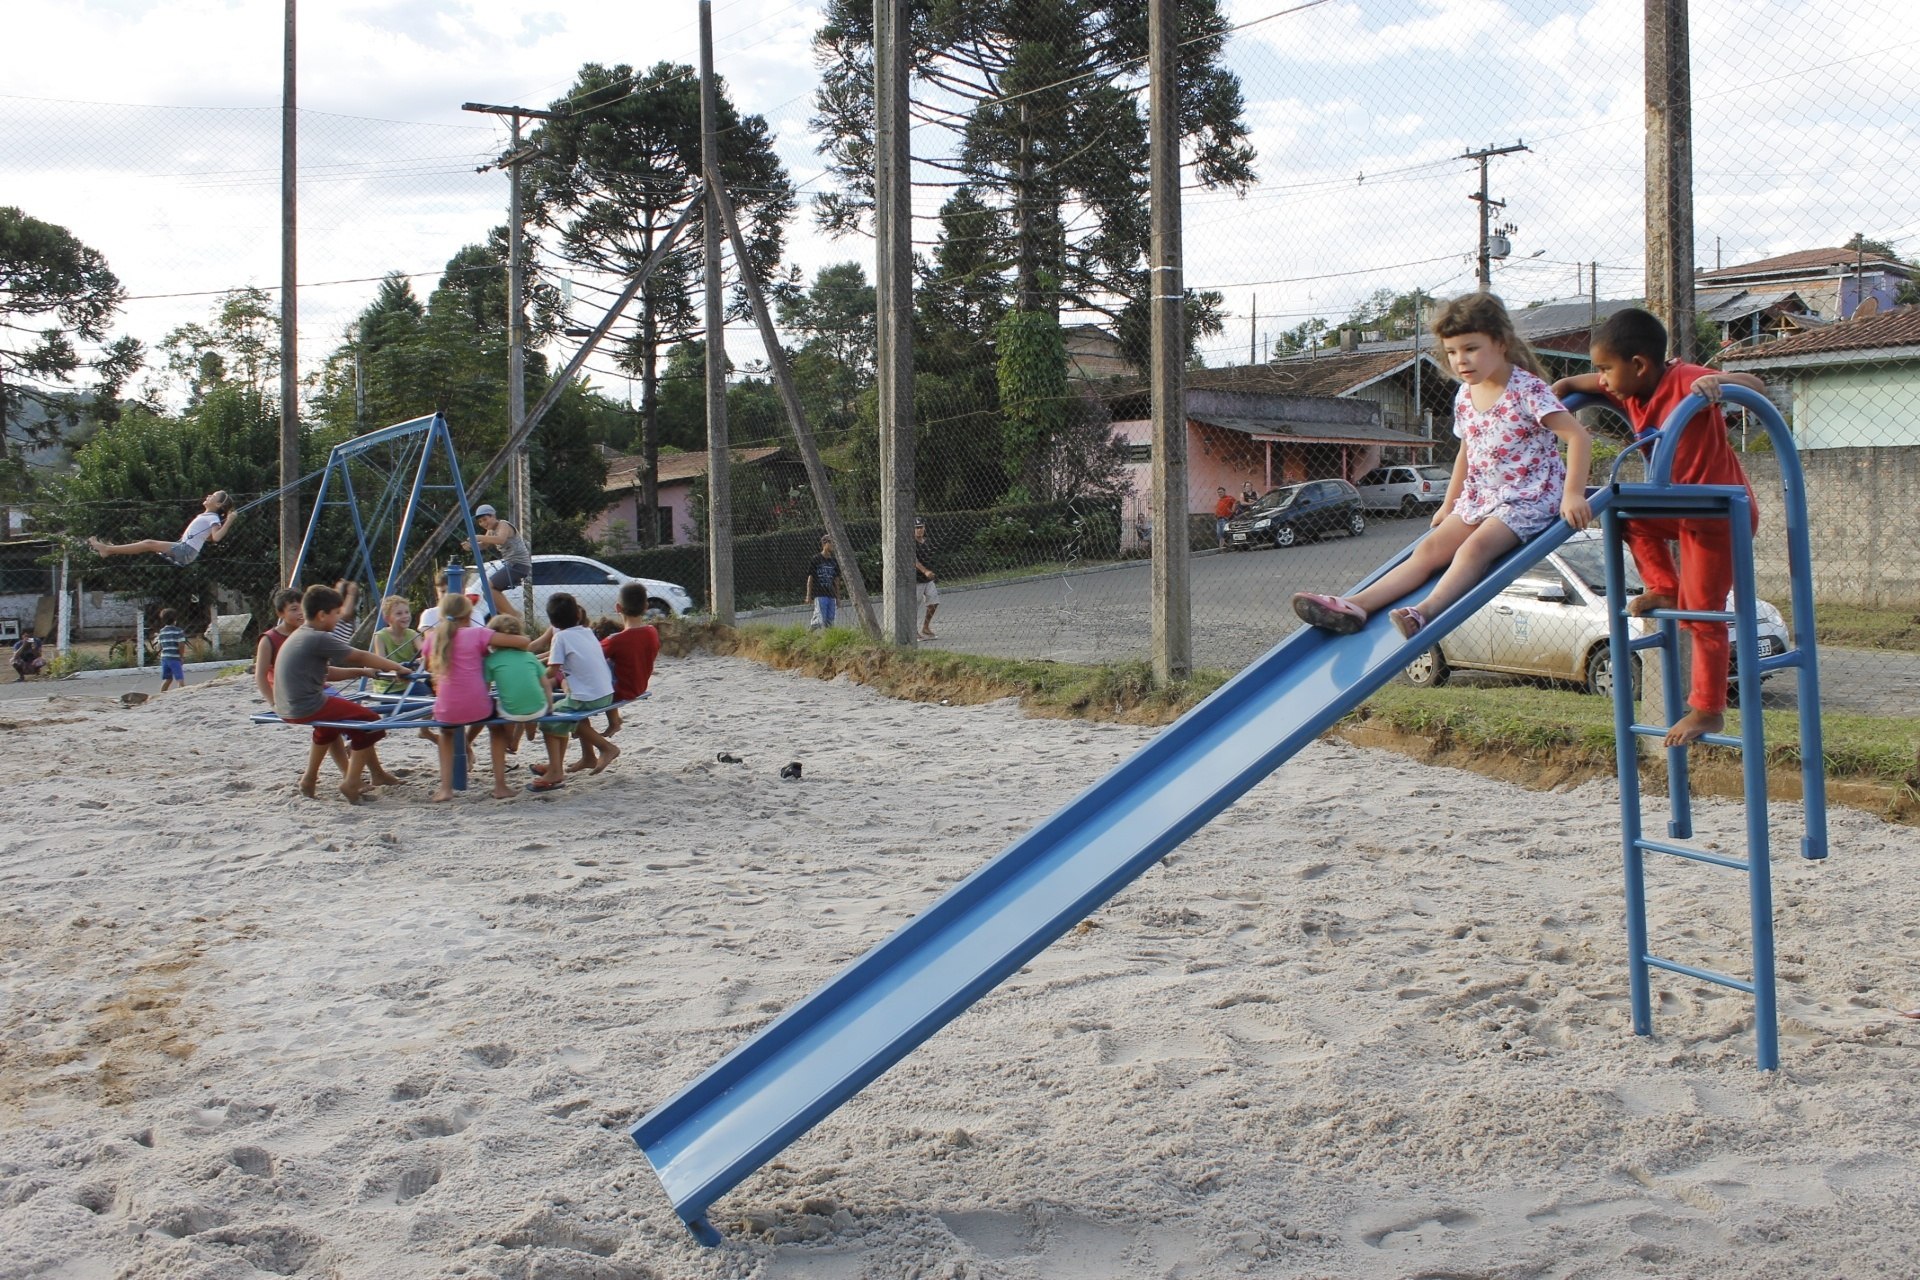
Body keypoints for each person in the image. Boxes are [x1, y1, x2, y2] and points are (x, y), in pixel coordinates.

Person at [1292, 293, 1593, 642]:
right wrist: (1449, 505)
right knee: (1429, 550)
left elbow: (1578, 437)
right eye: (1451, 352)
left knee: (1472, 550)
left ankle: (1425, 612)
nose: (1460, 360)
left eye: (1470, 348)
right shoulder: (1466, 394)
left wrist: (1572, 495)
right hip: (1480, 498)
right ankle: (1356, 605)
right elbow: (1468, 450)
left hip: (1526, 498)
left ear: (1500, 343)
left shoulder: (1527, 390)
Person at [1552, 307, 1769, 746]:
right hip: (1679, 506)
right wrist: (1554, 393)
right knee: (1626, 516)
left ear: (1639, 365)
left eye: (1606, 369)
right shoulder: (1629, 388)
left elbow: (1757, 387)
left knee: (1702, 613)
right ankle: (1662, 584)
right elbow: (1575, 385)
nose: (1603, 379)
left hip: (1719, 514)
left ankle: (1708, 710)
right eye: (1599, 370)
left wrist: (1720, 384)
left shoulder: (1686, 379)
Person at [272, 583, 413, 804]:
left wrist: (361, 672)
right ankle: (351, 782)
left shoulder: (302, 634)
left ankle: (309, 780)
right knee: (370, 722)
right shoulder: (318, 637)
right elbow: (360, 655)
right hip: (307, 704)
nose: (339, 619)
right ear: (321, 615)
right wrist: (398, 668)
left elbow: (327, 672)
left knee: (328, 728)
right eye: (336, 614)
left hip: (287, 705)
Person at [421, 589, 535, 802]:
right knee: (497, 727)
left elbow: (428, 665)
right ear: (468, 615)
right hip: (477, 706)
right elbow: (523, 641)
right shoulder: (477, 634)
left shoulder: (432, 639)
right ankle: (500, 785)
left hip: (447, 708)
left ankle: (446, 788)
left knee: (447, 734)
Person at [531, 591, 619, 790]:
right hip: (606, 693)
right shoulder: (587, 631)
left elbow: (552, 670)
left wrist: (531, 681)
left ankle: (606, 748)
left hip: (588, 698)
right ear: (578, 615)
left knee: (547, 720)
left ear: (552, 622)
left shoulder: (560, 638)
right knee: (561, 718)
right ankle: (556, 766)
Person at [484, 613, 552, 797]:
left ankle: (508, 741)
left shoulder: (492, 660)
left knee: (498, 717)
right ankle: (529, 730)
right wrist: (549, 706)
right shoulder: (529, 656)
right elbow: (545, 684)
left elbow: (485, 689)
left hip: (512, 711)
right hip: (539, 707)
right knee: (525, 700)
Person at [89, 491, 237, 565]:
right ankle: (108, 550)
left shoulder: (213, 518)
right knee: (147, 544)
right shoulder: (208, 517)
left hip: (185, 551)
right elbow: (210, 537)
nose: (209, 496)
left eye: (213, 496)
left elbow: (216, 537)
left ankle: (108, 549)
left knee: (148, 544)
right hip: (185, 550)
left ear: (218, 505)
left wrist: (229, 521)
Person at [601, 580, 661, 737]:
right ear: (646, 607)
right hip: (640, 685)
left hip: (620, 690)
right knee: (610, 665)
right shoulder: (652, 631)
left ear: (618, 608)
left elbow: (591, 657)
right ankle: (614, 721)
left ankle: (611, 724)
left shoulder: (615, 640)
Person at [460, 503, 534, 592]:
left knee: (488, 588)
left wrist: (478, 537)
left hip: (518, 565)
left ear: (493, 516)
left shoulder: (503, 524)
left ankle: (505, 607)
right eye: (480, 521)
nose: (483, 523)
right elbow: (484, 545)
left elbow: (500, 540)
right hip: (511, 564)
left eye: (485, 519)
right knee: (487, 592)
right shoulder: (490, 531)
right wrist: (470, 546)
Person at [369, 595, 423, 698]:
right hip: (388, 686)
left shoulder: (413, 634)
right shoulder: (380, 636)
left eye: (407, 612)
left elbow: (425, 650)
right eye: (399, 613)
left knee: (429, 694)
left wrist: (424, 658)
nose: (405, 616)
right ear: (387, 619)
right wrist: (394, 672)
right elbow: (381, 663)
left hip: (407, 682)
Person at [805, 535, 842, 631]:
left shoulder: (834, 561)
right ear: (824, 543)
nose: (833, 545)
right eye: (831, 543)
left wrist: (838, 597)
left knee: (830, 619)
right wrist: (808, 595)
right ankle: (810, 632)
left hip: (831, 594)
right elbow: (810, 578)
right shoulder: (816, 559)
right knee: (820, 619)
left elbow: (836, 580)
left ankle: (828, 638)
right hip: (820, 594)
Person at [914, 518, 939, 640]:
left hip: (928, 580)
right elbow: (914, 561)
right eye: (917, 527)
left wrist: (931, 571)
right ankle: (912, 631)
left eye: (921, 527)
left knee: (934, 603)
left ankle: (925, 627)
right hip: (916, 580)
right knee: (914, 606)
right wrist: (925, 571)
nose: (919, 530)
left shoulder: (927, 542)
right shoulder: (910, 543)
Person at [154, 608, 186, 692]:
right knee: (180, 679)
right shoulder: (178, 631)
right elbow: (181, 645)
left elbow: (159, 645)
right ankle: (182, 694)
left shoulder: (162, 631)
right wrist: (181, 656)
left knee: (168, 679)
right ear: (175, 619)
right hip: (174, 658)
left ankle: (161, 695)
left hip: (164, 658)